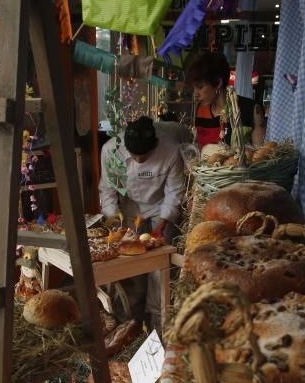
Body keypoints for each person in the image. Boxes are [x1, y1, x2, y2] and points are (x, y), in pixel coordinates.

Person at [99, 115, 189, 327]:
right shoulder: (111, 150)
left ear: (155, 145)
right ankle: (131, 320)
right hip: (129, 208)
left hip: (160, 207)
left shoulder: (170, 150)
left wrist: (163, 224)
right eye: (134, 155)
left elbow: (174, 192)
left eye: (145, 156)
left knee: (160, 267)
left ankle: (158, 321)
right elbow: (108, 190)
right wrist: (115, 223)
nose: (139, 160)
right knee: (133, 266)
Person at [188, 51, 266, 149]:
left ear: (218, 82)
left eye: (200, 87)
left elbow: (259, 157)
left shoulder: (251, 110)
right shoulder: (200, 110)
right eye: (194, 88)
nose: (196, 94)